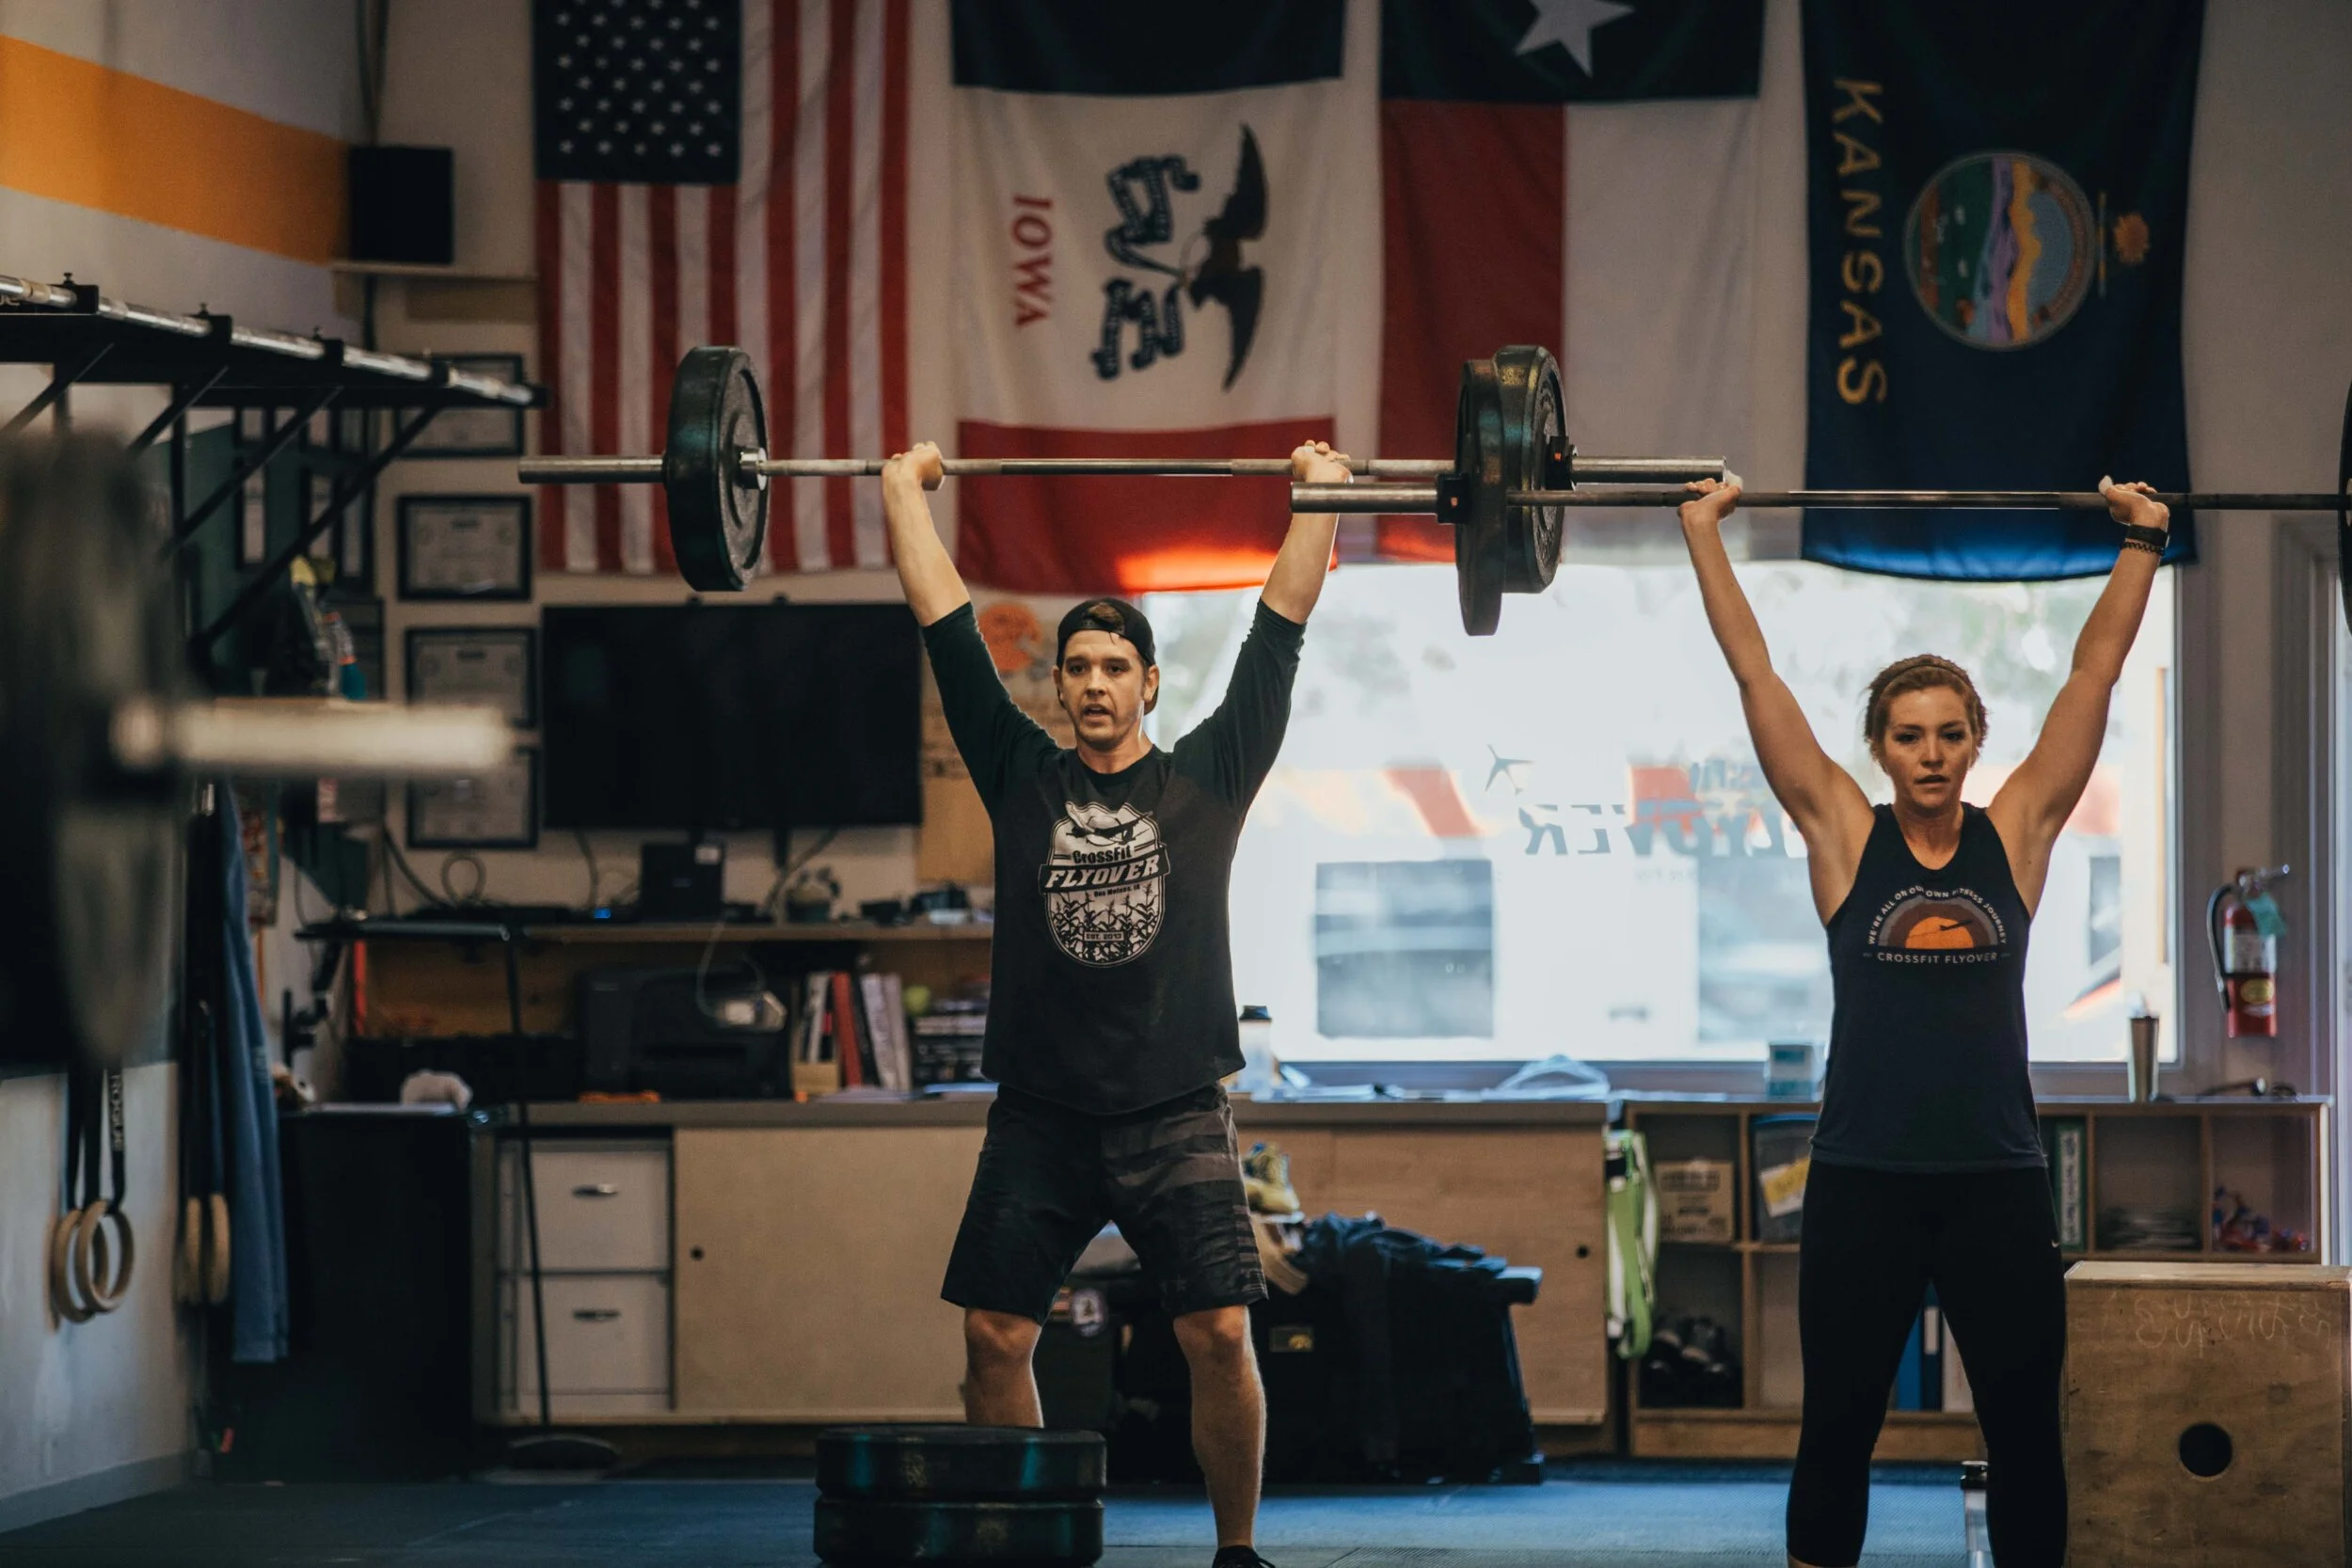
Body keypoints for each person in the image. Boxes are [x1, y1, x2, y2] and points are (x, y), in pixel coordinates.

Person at [1676, 474, 2172, 1568]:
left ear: (1976, 742)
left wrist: (2139, 543)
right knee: (1838, 1430)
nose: (1932, 753)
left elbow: (2093, 673)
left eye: (1951, 733)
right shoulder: (1847, 840)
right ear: (1880, 750)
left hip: (1995, 1181)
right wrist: (1701, 532)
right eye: (1908, 736)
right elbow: (1755, 673)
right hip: (1864, 1180)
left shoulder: (2022, 833)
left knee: (2026, 1434)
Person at [880, 438, 1353, 1568]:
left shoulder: (1208, 775)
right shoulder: (1015, 772)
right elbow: (942, 615)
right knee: (994, 1333)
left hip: (1175, 1102)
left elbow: (1277, 630)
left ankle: (1235, 1550)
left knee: (1221, 1328)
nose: (1092, 682)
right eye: (1075, 665)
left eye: (1113, 666)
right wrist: (902, 492)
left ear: (1149, 683)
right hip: (1041, 1109)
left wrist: (1320, 500)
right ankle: (1028, 1545)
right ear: (1057, 685)